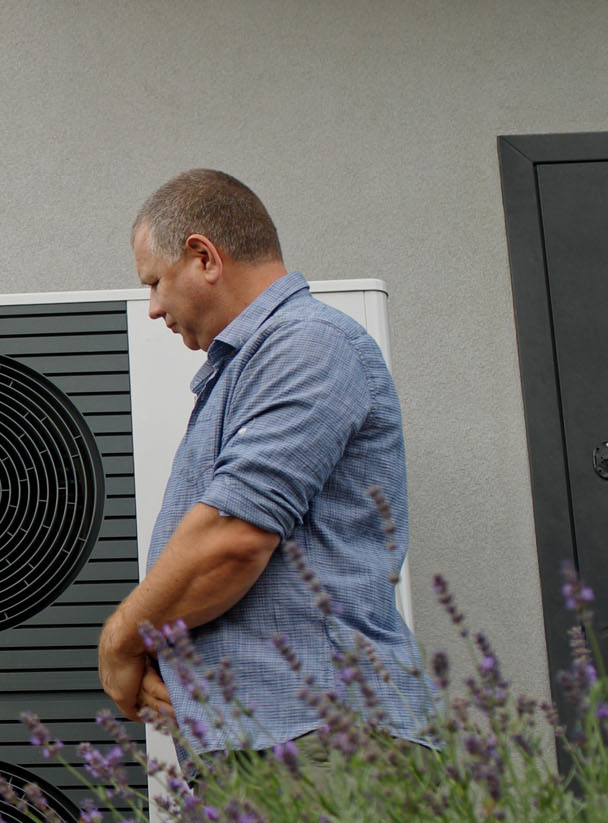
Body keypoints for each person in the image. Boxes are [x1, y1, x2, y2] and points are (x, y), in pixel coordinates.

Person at [97, 168, 435, 763]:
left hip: (325, 742)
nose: (152, 308)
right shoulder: (250, 364)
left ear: (203, 257)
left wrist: (121, 643)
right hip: (278, 745)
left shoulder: (306, 343)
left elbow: (231, 541)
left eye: (155, 282)